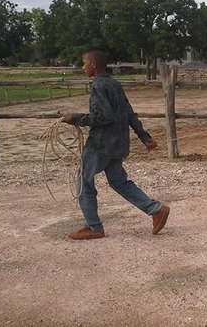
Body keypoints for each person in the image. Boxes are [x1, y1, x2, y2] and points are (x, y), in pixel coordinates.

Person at [62, 47, 169, 240]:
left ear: (93, 64)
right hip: (118, 143)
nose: (82, 67)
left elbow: (102, 117)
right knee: (119, 181)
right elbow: (129, 112)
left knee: (84, 181)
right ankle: (155, 210)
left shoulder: (98, 86)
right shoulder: (114, 84)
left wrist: (75, 118)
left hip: (101, 144)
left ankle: (94, 226)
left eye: (84, 63)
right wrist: (144, 136)